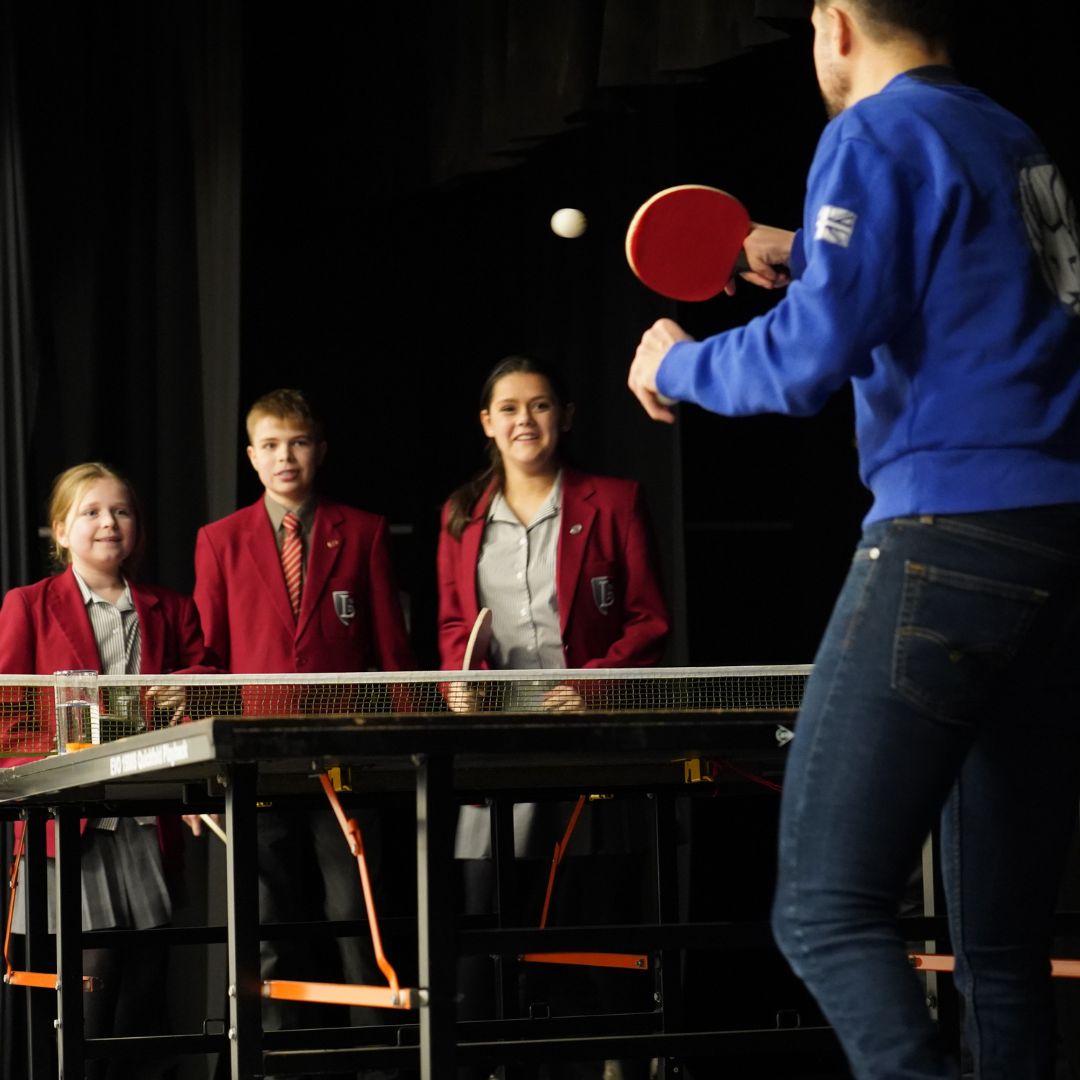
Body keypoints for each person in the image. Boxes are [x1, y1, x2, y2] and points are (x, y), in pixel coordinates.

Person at [627, 1, 1080, 1076]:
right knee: (1003, 953)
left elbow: (802, 363)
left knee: (825, 911)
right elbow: (973, 301)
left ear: (833, 25)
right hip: (1060, 551)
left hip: (948, 542)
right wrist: (807, 258)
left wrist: (673, 365)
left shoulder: (870, 133)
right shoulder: (1014, 139)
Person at [437, 355, 670, 1080]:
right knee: (490, 919)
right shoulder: (459, 516)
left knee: (591, 918)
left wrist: (592, 685)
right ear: (487, 424)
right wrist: (461, 682)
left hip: (591, 744)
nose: (524, 421)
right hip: (497, 750)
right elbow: (453, 628)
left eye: (539, 406)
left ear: (564, 416)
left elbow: (649, 622)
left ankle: (619, 1063)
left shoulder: (616, 500)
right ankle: (507, 1064)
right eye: (508, 408)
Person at [192, 388, 415, 1073]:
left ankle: (375, 1059)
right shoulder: (219, 541)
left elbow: (392, 655)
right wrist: (211, 769)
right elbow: (207, 661)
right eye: (270, 444)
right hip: (256, 762)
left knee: (357, 918)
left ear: (318, 449)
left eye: (297, 442)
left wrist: (400, 749)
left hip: (344, 758)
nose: (285, 456)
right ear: (252, 456)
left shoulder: (364, 530)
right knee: (265, 926)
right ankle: (275, 1058)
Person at [0, 462, 217, 1080]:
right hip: (73, 828)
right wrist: (60, 765)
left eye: (120, 511)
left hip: (147, 823)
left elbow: (208, 676)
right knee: (88, 1000)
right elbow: (6, 718)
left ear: (138, 529)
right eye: (90, 512)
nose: (108, 523)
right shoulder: (27, 606)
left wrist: (187, 689)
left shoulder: (171, 608)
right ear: (61, 531)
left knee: (145, 995)